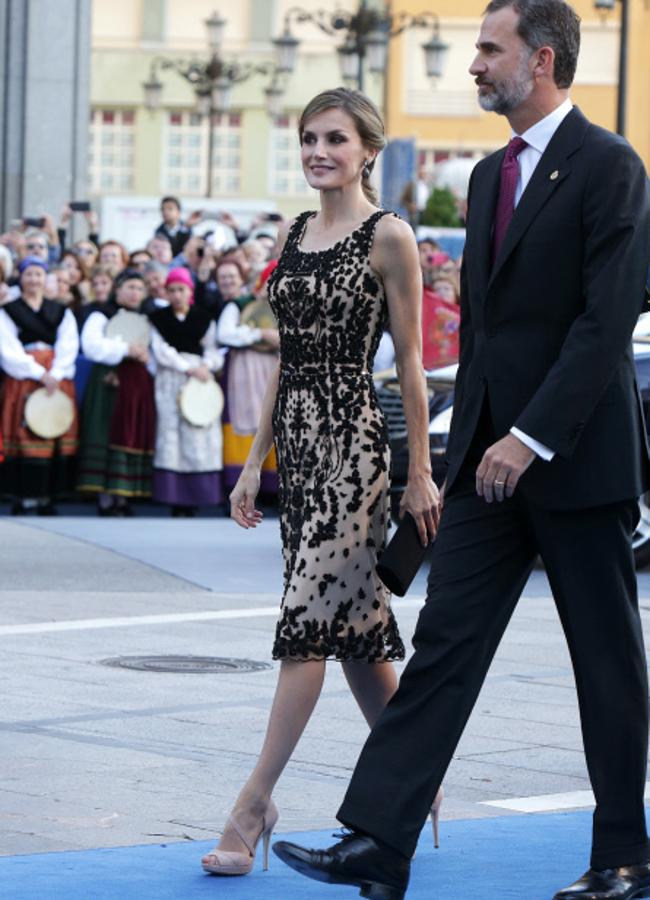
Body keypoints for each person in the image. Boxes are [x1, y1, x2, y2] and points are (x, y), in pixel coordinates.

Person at [272, 2, 650, 899]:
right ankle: (377, 841)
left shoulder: (611, 168)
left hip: (576, 461)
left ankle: (626, 859)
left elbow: (606, 325)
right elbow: (483, 333)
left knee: (605, 662)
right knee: (442, 647)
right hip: (483, 464)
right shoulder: (486, 178)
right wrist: (446, 459)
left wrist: (531, 438)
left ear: (543, 59)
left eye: (490, 49)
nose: (474, 64)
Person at [199, 86, 439, 878]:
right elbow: (284, 362)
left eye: (334, 139)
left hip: (354, 453)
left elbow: (409, 362)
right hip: (298, 454)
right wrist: (250, 464)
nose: (318, 152)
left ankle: (253, 803)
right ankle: (413, 781)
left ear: (368, 148)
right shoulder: (297, 230)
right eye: (308, 139)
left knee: (307, 624)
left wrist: (419, 476)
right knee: (357, 637)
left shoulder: (389, 234)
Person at [0, 257, 78, 514]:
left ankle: (48, 496)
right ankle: (23, 496)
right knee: (23, 433)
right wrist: (37, 373)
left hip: (55, 378)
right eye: (29, 274)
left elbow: (68, 345)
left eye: (39, 274)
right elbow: (8, 349)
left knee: (52, 431)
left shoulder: (60, 311)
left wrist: (55, 373)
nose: (34, 280)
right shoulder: (9, 311)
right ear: (21, 278)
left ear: (46, 279)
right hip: (25, 378)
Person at [76, 269, 155, 516]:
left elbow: (154, 351)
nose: (134, 293)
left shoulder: (146, 319)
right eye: (130, 287)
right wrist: (125, 349)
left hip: (136, 383)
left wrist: (144, 355)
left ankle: (123, 496)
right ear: (117, 290)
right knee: (105, 431)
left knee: (130, 433)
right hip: (107, 381)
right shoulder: (101, 315)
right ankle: (105, 497)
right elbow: (91, 345)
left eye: (139, 289)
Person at [149, 267, 224, 516]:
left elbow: (212, 349)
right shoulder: (158, 318)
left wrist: (206, 366)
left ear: (190, 291)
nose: (177, 295)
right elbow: (161, 351)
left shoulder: (203, 319)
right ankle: (173, 498)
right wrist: (188, 367)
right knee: (171, 435)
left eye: (181, 289)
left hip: (198, 380)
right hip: (171, 378)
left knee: (197, 433)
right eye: (172, 290)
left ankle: (194, 498)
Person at [216, 259, 280, 497]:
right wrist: (261, 333)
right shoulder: (240, 305)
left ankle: (272, 490)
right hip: (245, 367)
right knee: (244, 420)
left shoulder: (289, 306)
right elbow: (225, 333)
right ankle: (238, 484)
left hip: (273, 366)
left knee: (273, 417)